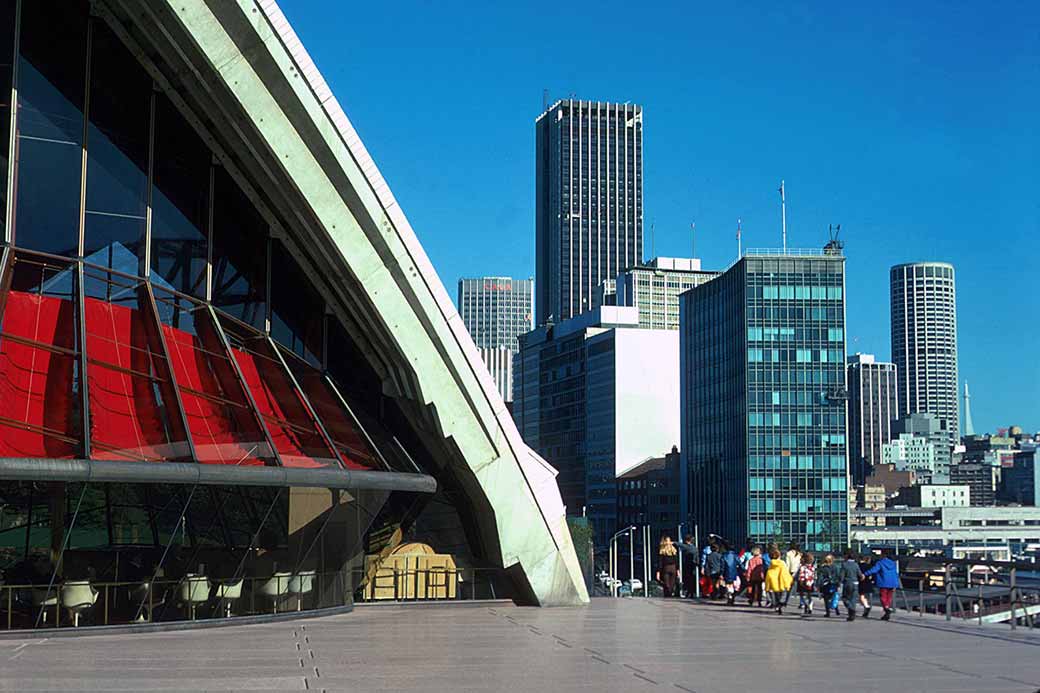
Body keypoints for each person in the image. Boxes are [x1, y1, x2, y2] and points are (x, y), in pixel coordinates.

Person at [864, 551, 900, 620]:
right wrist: (896, 583)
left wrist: (865, 574)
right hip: (893, 582)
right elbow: (896, 573)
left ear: (883, 555)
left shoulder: (880, 563)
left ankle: (886, 609)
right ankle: (887, 610)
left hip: (884, 582)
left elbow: (874, 570)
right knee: (889, 597)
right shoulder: (893, 563)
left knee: (883, 597)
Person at [764, 547, 793, 614]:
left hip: (773, 583)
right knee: (782, 595)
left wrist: (767, 584)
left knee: (775, 595)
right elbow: (784, 573)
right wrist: (788, 581)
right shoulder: (782, 563)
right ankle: (780, 605)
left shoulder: (771, 564)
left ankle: (777, 606)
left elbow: (769, 574)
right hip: (781, 582)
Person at [841, 549, 864, 621]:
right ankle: (851, 614)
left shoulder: (844, 565)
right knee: (853, 599)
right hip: (855, 583)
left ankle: (850, 609)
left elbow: (842, 576)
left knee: (845, 598)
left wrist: (840, 582)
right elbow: (860, 574)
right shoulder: (856, 564)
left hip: (847, 583)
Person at [817, 553, 842, 617]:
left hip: (826, 585)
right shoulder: (836, 567)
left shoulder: (822, 568)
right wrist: (838, 583)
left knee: (826, 599)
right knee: (834, 597)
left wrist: (818, 585)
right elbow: (839, 576)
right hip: (834, 584)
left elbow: (820, 577)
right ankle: (837, 610)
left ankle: (828, 612)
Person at [794, 552, 816, 616]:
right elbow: (814, 576)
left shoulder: (802, 567)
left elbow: (801, 575)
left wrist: (799, 580)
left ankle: (805, 604)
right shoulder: (812, 567)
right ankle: (810, 606)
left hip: (803, 583)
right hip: (810, 583)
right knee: (809, 595)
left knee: (802, 595)